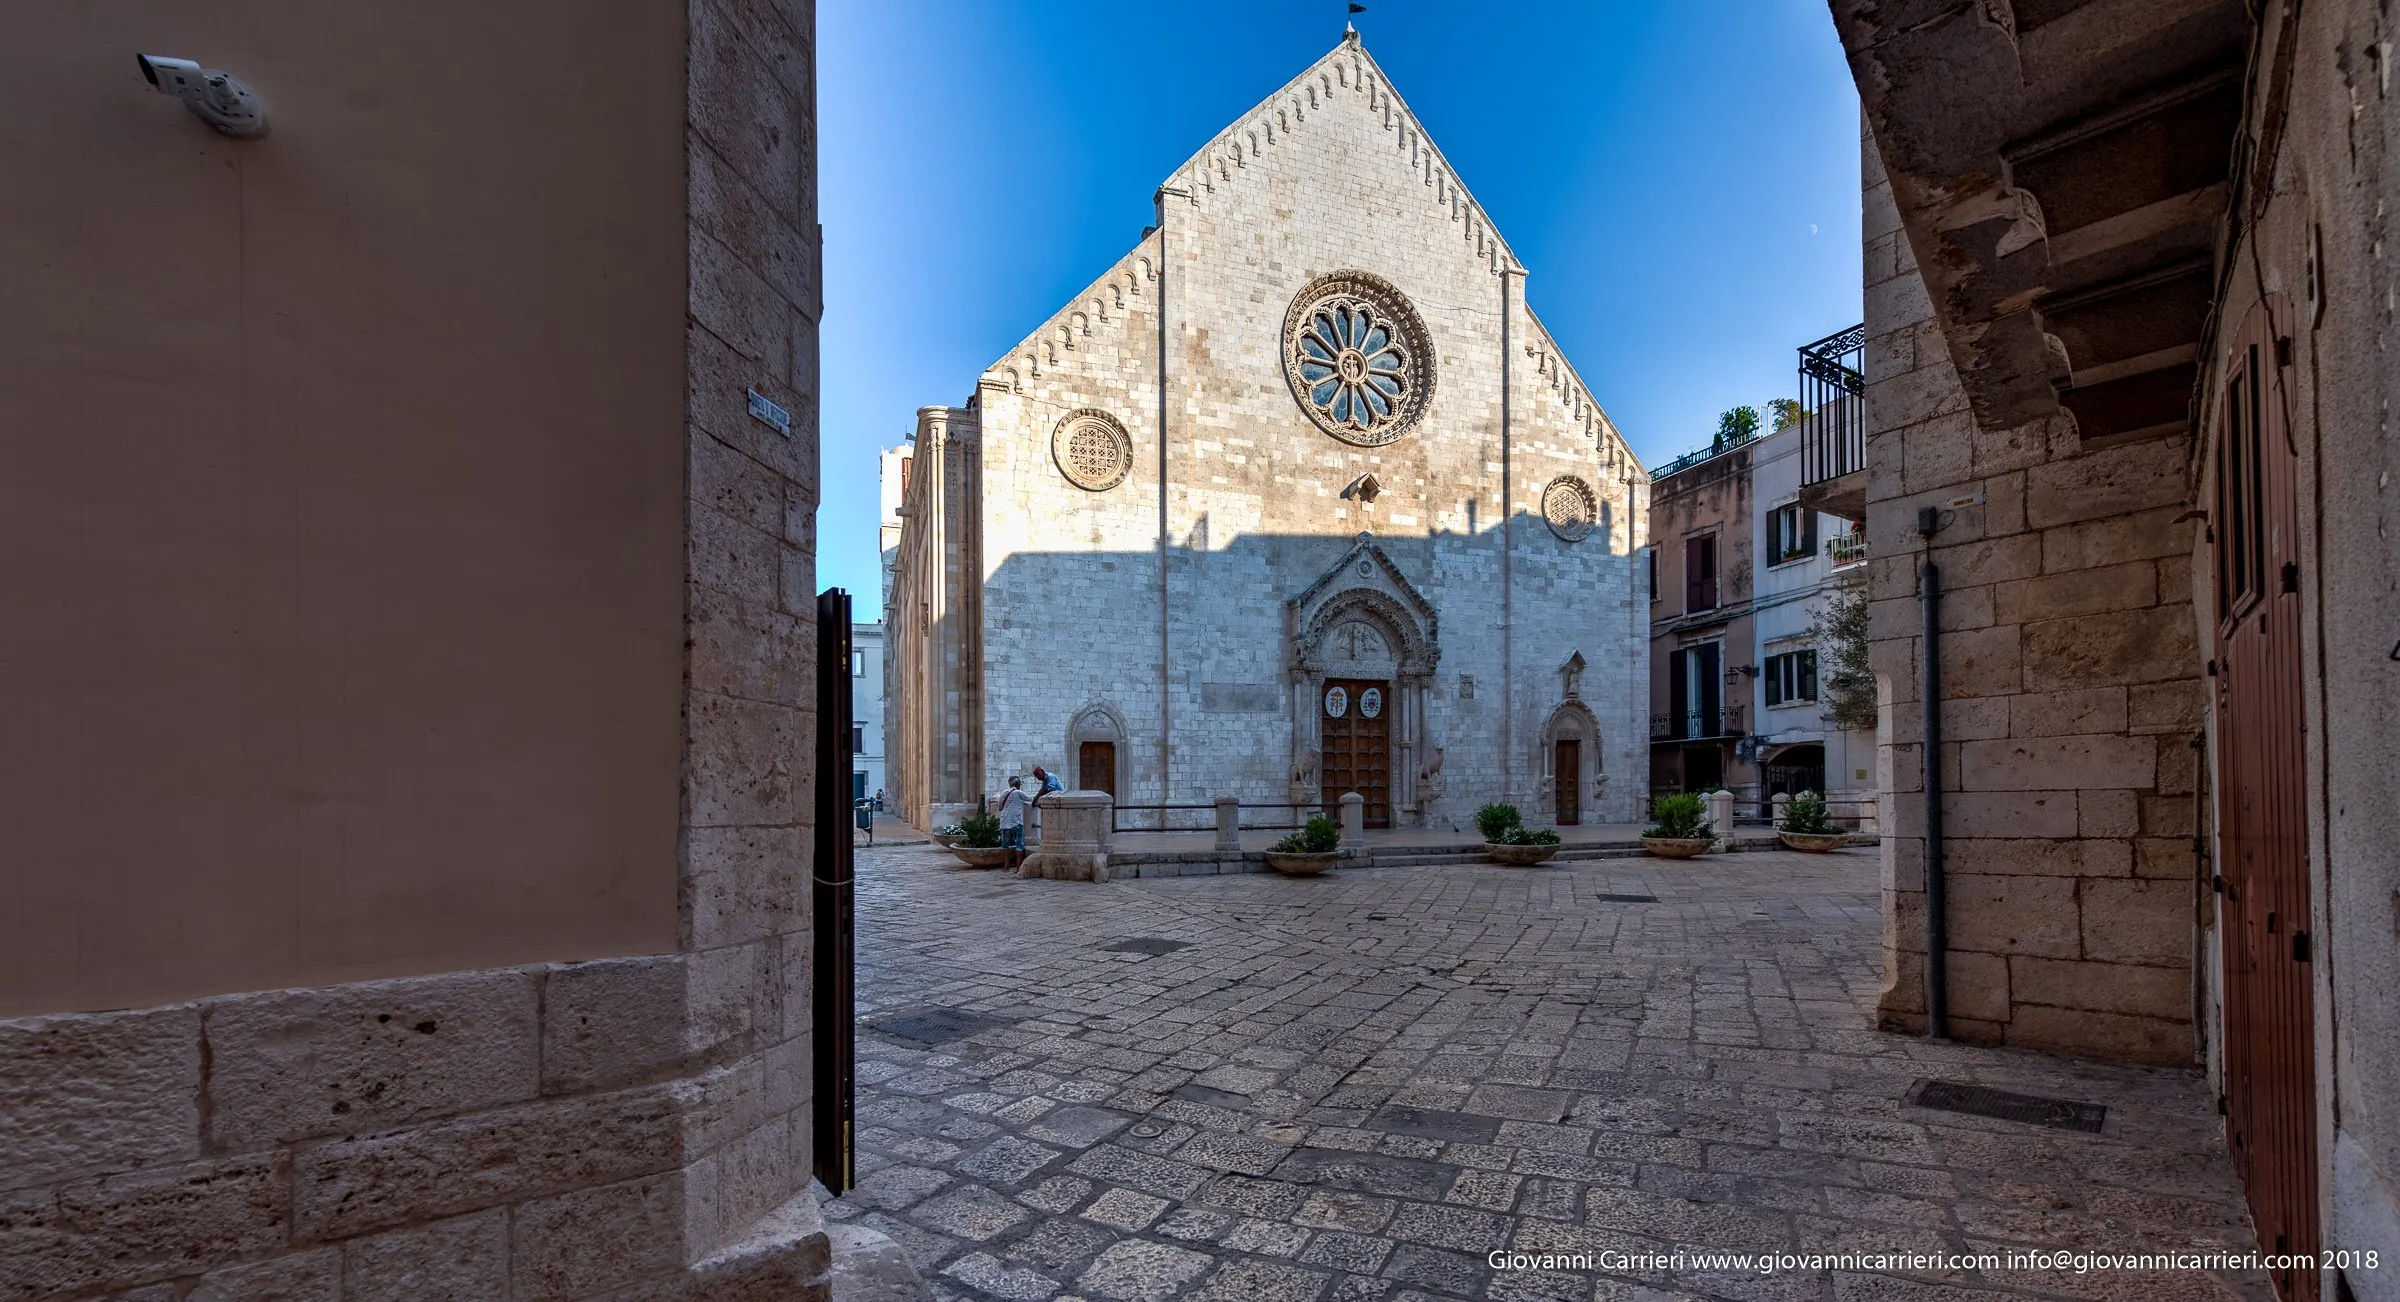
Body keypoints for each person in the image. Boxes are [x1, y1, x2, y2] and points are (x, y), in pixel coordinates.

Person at [997, 776, 1031, 870]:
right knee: (1019, 844)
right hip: (1016, 822)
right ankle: (1018, 867)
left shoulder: (1004, 793)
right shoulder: (1020, 793)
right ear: (1017, 784)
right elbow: (1032, 800)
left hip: (1004, 822)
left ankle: (1006, 866)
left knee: (1006, 844)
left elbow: (1000, 807)